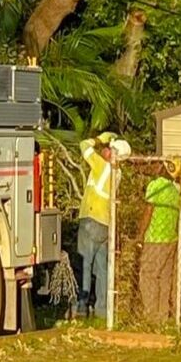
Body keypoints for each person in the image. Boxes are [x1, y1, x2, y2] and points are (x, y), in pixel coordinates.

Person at [75, 132, 128, 317]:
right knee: (102, 269)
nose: (105, 148)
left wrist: (99, 139)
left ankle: (82, 306)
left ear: (113, 154)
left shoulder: (102, 166)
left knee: (85, 264)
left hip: (91, 220)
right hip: (105, 224)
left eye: (109, 147)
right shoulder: (117, 173)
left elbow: (83, 145)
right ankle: (102, 310)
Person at [138, 159, 181, 322]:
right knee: (165, 277)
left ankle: (151, 316)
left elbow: (148, 211)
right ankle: (162, 315)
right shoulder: (176, 190)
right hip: (171, 239)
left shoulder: (156, 185)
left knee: (148, 275)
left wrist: (140, 234)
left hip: (155, 238)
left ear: (164, 168)